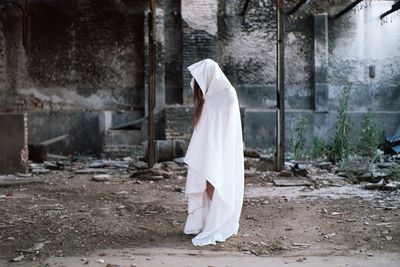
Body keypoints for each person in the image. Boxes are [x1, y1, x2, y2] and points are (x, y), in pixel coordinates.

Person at [183, 58, 244, 246]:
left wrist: (216, 148)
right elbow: (205, 127)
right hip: (208, 147)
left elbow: (227, 127)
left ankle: (220, 220)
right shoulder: (210, 97)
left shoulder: (227, 94)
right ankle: (208, 220)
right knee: (205, 183)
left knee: (215, 183)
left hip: (221, 148)